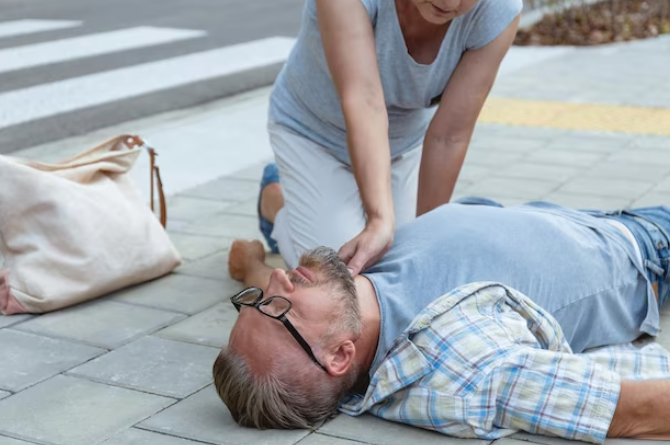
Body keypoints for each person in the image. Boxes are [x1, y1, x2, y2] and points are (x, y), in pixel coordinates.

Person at [214, 198, 670, 442]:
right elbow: (641, 411)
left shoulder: (344, 295)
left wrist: (249, 265)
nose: (277, 279)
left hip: (569, 215)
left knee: (291, 214)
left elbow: (269, 288)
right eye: (277, 308)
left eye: (253, 300)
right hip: (643, 251)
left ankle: (272, 199)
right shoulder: (465, 372)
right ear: (338, 356)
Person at [261, 0, 522, 275]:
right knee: (338, 273)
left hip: (401, 144)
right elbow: (365, 102)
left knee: (396, 265)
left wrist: (429, 236)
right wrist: (380, 220)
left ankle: (301, 202)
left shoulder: (499, 9)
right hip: (312, 133)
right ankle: (275, 201)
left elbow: (449, 135)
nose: (450, 2)